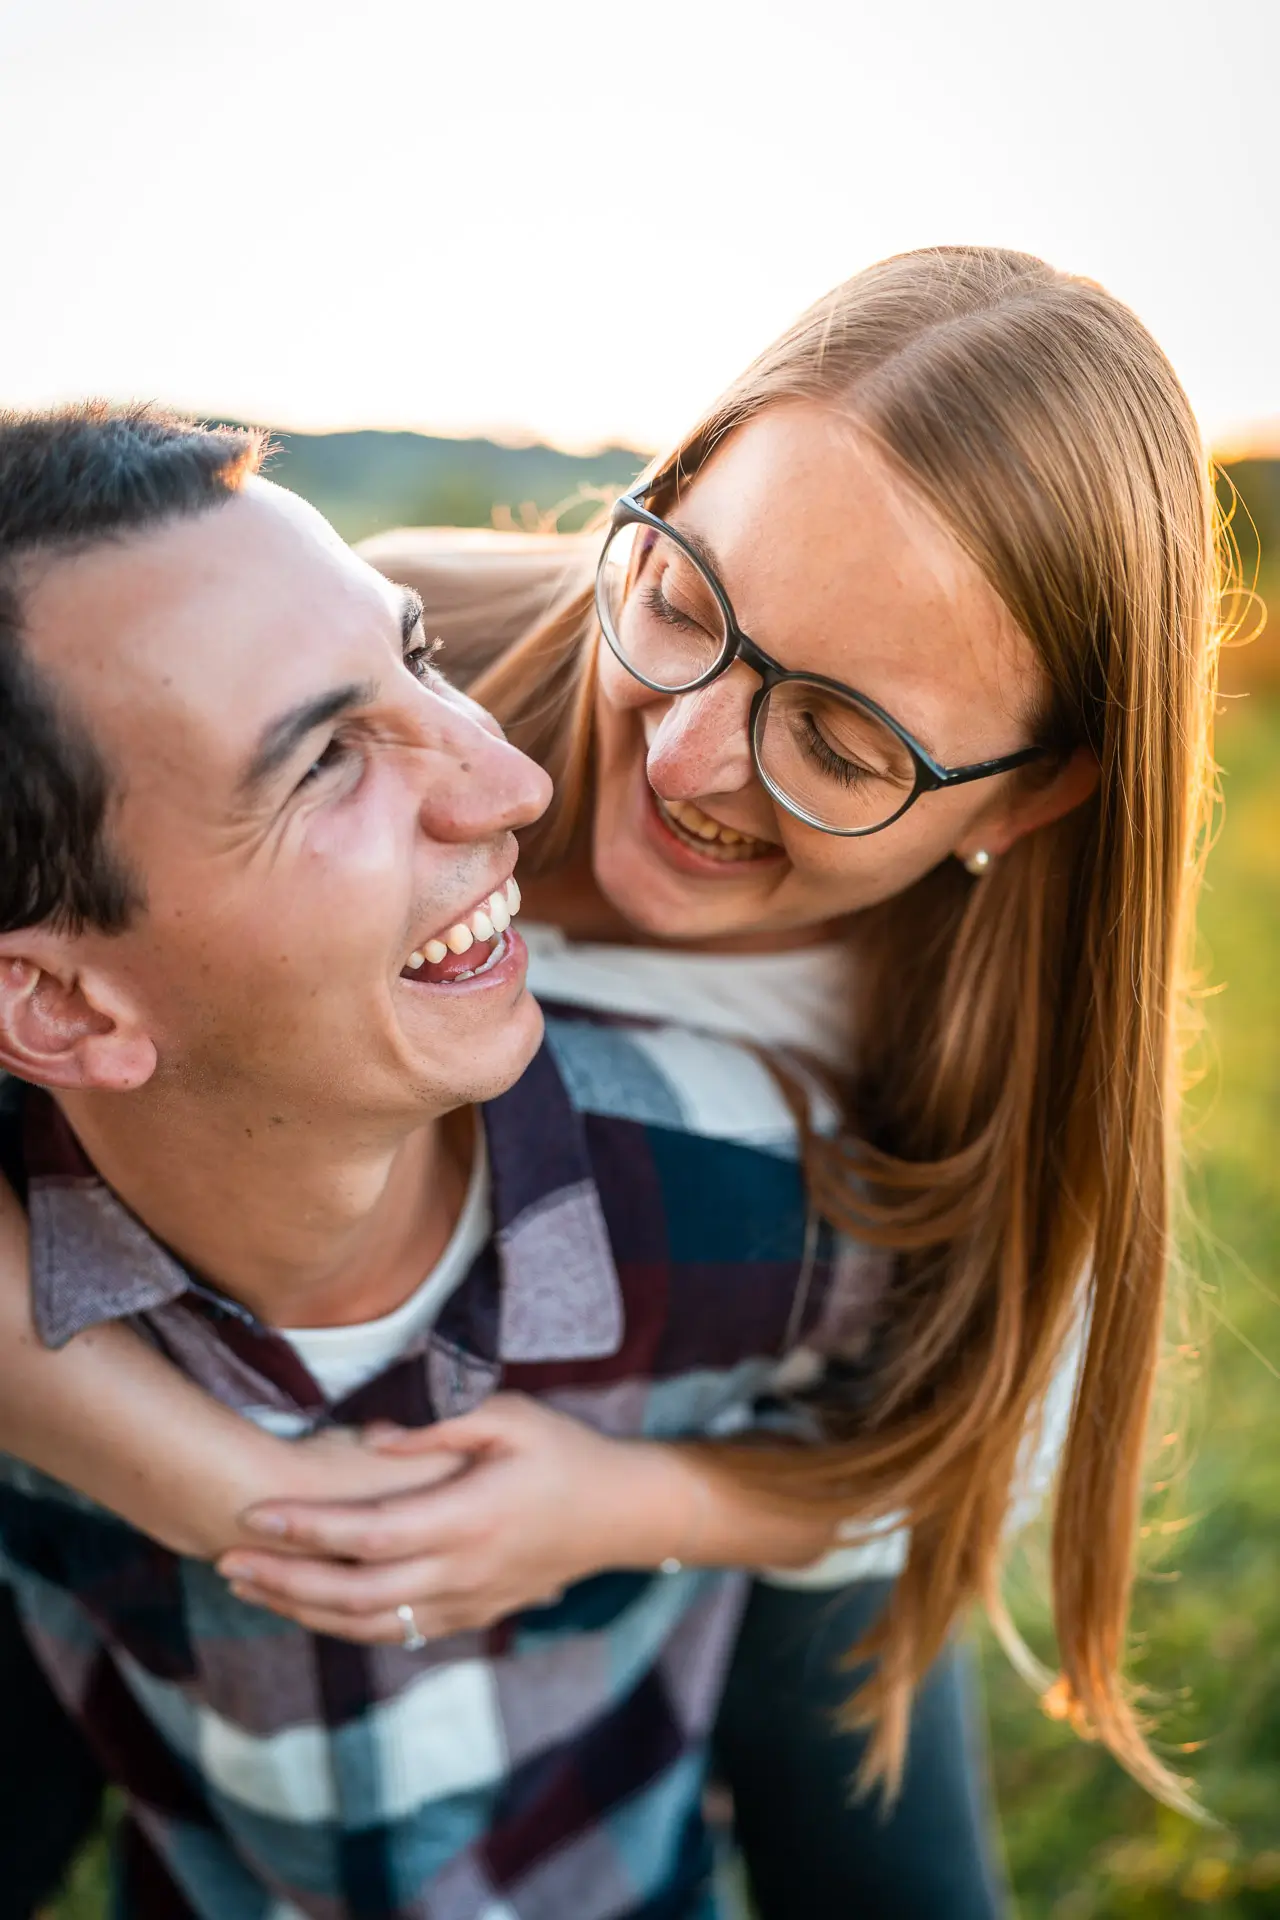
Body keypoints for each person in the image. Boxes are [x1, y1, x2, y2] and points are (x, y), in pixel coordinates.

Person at [0, 245, 1223, 1900]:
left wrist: (626, 1502)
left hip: (745, 1455)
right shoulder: (418, 651)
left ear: (1025, 799)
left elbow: (947, 1454)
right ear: (663, 489)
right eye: (682, 600)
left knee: (876, 1829)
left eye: (845, 745)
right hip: (179, 1357)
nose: (686, 752)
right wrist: (241, 1494)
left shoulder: (971, 1061)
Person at [0, 403, 884, 1920]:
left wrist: (655, 1503)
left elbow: (939, 1461)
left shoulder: (761, 1201)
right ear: (64, 1003)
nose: (509, 786)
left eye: (417, 660)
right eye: (324, 764)